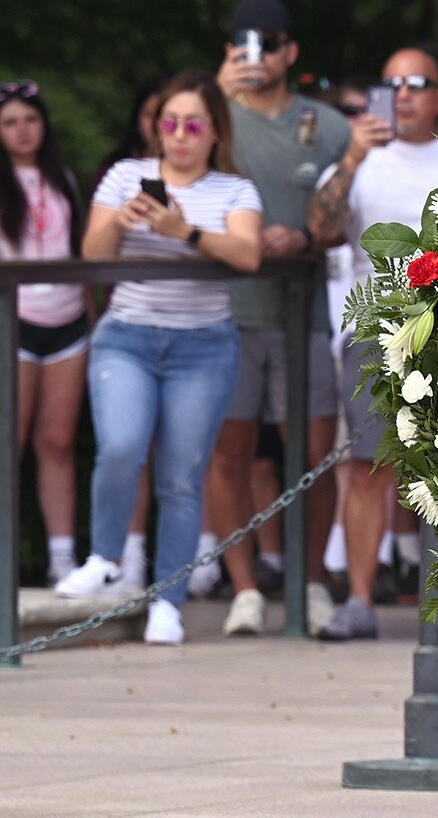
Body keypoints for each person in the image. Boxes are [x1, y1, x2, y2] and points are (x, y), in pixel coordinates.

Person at [57, 73, 262, 644]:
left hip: (202, 345)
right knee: (120, 447)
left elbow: (247, 253)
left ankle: (168, 601)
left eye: (192, 124)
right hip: (127, 337)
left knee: (181, 476)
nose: (178, 135)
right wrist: (121, 223)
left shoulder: (235, 191)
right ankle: (104, 558)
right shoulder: (124, 176)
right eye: (167, 123)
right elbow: (90, 255)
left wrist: (185, 231)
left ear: (215, 132)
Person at [306, 45, 438, 640]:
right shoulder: (360, 157)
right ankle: (361, 602)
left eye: (418, 82)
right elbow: (318, 231)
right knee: (368, 466)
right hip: (372, 330)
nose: (402, 93)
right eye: (391, 82)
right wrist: (351, 155)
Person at [206, 0, 350, 637]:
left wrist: (307, 237)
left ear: (290, 51)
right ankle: (243, 590)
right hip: (226, 311)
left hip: (304, 315)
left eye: (266, 42)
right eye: (241, 42)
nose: (253, 55)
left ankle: (313, 581)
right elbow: (174, 174)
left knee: (314, 454)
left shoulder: (328, 124)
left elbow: (348, 213)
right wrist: (216, 100)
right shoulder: (208, 117)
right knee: (228, 455)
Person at [0, 82, 89, 583]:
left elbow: (81, 255)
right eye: (10, 122)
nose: (22, 130)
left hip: (69, 321)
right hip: (12, 322)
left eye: (30, 119)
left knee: (57, 442)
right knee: (6, 440)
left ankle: (61, 559)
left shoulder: (65, 180)